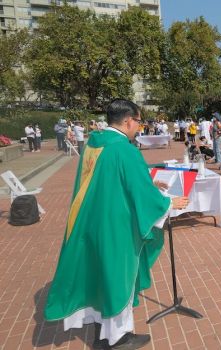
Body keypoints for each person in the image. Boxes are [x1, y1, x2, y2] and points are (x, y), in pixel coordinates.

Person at [44, 99, 189, 349]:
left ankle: (104, 327)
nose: (139, 127)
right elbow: (138, 192)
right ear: (128, 120)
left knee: (102, 274)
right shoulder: (124, 149)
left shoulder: (95, 143)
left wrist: (149, 182)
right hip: (116, 226)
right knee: (117, 278)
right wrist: (168, 204)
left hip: (92, 218)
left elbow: (108, 179)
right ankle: (118, 338)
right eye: (139, 121)